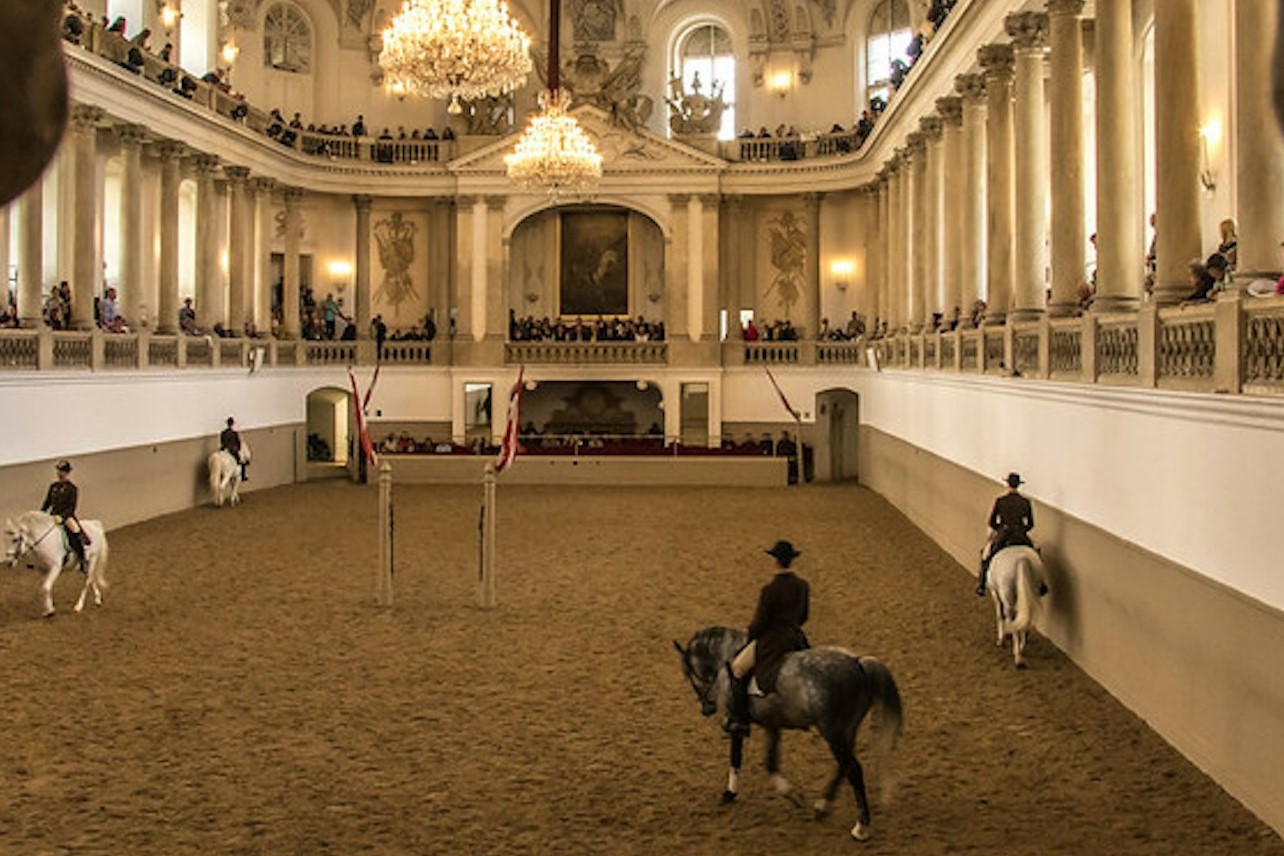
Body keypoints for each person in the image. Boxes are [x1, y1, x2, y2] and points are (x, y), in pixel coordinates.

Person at [724, 540, 811, 737]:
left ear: (775, 561)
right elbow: (804, 616)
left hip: (772, 642)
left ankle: (740, 720)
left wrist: (750, 634)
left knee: (737, 669)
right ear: (791, 561)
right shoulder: (803, 586)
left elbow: (761, 622)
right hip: (795, 638)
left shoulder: (770, 589)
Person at [978, 472, 1035, 596]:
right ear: (1018, 485)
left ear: (1007, 484)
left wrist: (1000, 528)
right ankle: (1041, 585)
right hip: (1020, 534)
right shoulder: (1025, 502)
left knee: (987, 556)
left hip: (1004, 533)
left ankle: (981, 584)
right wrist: (1022, 529)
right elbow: (1031, 524)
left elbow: (991, 521)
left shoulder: (1000, 501)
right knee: (1035, 553)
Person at [41, 460, 89, 569]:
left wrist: (62, 517)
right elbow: (47, 503)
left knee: (74, 532)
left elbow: (72, 507)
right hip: (53, 516)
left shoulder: (72, 488)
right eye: (58, 471)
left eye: (62, 471)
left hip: (66, 517)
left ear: (67, 473)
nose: (59, 473)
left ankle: (82, 559)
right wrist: (41, 515)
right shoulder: (53, 486)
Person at [220, 417, 248, 481]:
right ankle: (243, 476)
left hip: (224, 449)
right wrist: (238, 448)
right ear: (232, 424)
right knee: (242, 460)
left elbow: (222, 441)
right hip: (232, 449)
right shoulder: (234, 433)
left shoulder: (223, 433)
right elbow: (238, 443)